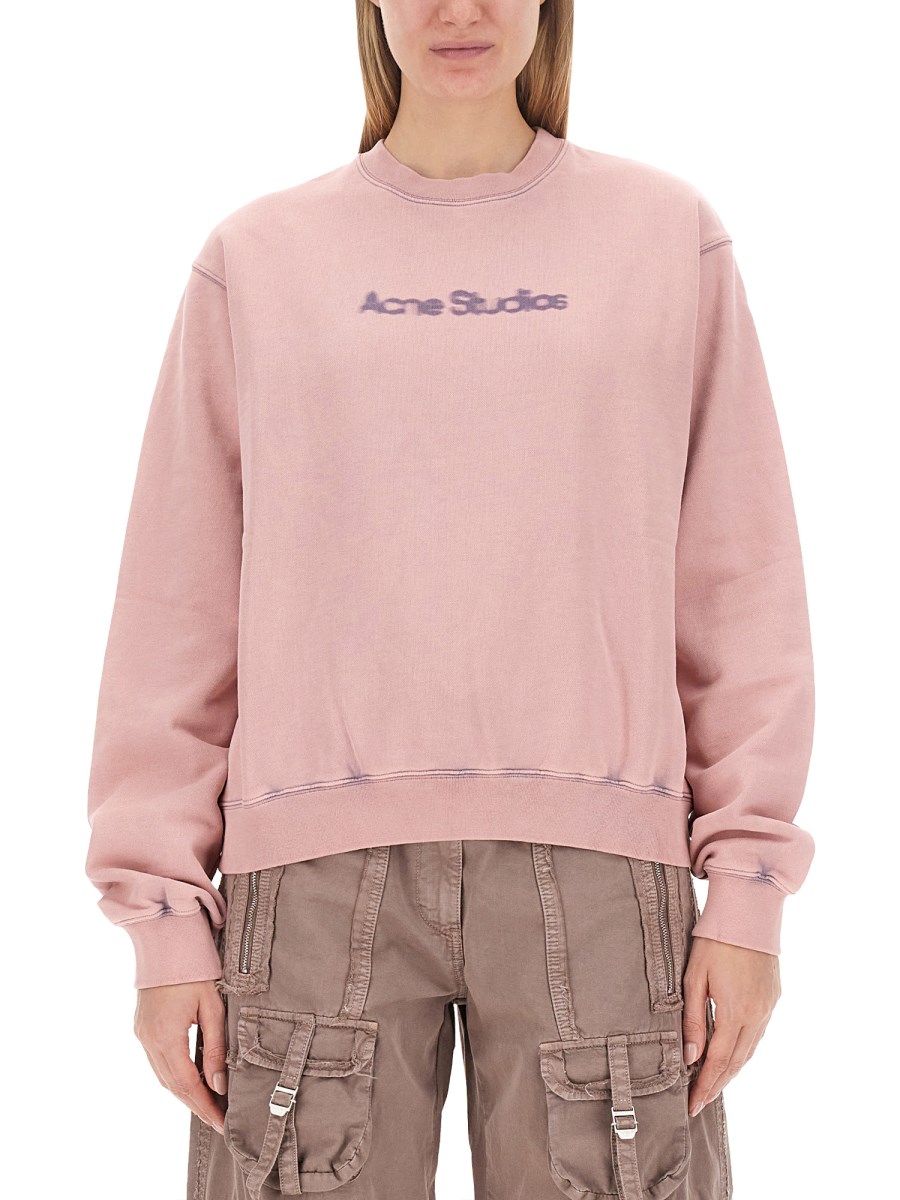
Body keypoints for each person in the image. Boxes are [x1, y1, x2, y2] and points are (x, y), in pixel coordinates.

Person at [84, 2, 816, 1197]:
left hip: (601, 867)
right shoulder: (258, 258)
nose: (459, 9)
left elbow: (741, 585)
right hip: (309, 877)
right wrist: (162, 917)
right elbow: (178, 602)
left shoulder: (665, 237)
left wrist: (746, 896)